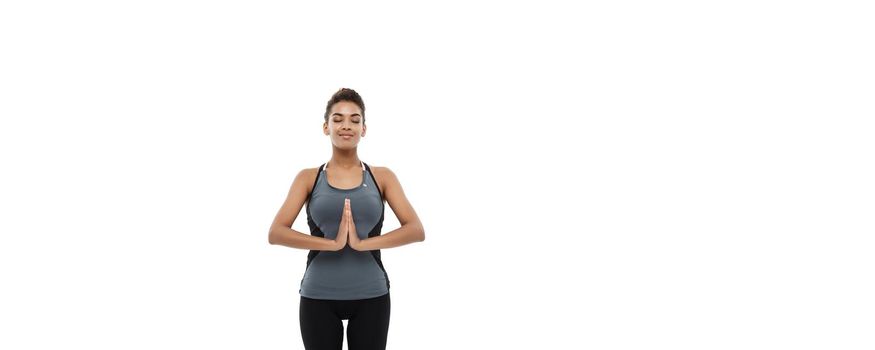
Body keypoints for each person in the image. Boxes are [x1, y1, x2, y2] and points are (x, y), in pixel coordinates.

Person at [268, 88, 426, 350]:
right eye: (338, 118)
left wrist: (364, 244)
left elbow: (416, 229)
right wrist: (332, 244)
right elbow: (276, 233)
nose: (346, 126)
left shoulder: (382, 177)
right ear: (325, 127)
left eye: (355, 119)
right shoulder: (308, 177)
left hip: (372, 295)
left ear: (364, 129)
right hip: (318, 296)